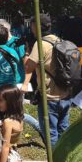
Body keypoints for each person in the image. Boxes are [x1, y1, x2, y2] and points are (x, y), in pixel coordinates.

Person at [22, 14, 72, 148]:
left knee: (51, 134)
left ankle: (55, 160)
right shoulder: (60, 41)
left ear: (35, 27)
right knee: (64, 131)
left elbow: (28, 67)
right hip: (66, 94)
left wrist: (26, 53)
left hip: (49, 96)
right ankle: (66, 158)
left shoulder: (40, 44)